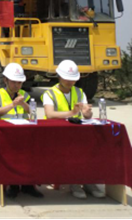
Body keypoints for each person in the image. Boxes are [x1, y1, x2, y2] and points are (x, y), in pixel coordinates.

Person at [42, 59, 105, 200]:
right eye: (67, 78)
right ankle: (75, 182)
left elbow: (87, 115)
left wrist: (87, 113)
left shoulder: (79, 92)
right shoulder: (49, 94)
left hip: (76, 132)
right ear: (59, 76)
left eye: (73, 79)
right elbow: (50, 114)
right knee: (73, 150)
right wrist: (72, 113)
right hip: (56, 134)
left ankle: (88, 181)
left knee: (94, 147)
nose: (70, 82)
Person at [0, 63, 43, 199]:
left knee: (29, 158)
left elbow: (32, 112)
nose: (16, 85)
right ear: (5, 80)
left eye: (19, 82)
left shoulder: (24, 95)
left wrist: (23, 103)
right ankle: (13, 185)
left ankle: (28, 186)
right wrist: (13, 104)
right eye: (14, 82)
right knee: (11, 159)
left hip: (23, 133)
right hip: (5, 134)